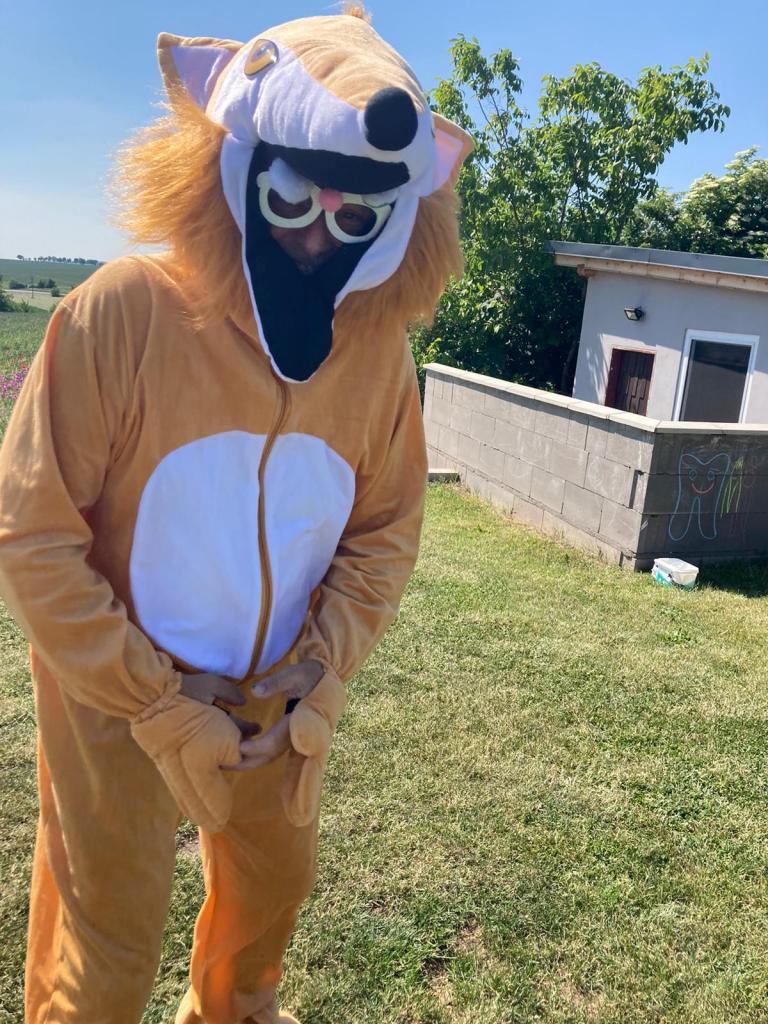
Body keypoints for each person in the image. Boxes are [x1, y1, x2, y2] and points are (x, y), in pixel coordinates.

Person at [0, 8, 471, 1023]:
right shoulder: (122, 310)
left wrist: (324, 663)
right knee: (106, 932)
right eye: (293, 199)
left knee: (274, 886)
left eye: (356, 219)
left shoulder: (379, 354)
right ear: (240, 167)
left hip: (276, 695)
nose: (315, 237)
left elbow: (384, 529)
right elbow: (32, 532)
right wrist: (150, 698)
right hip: (115, 699)